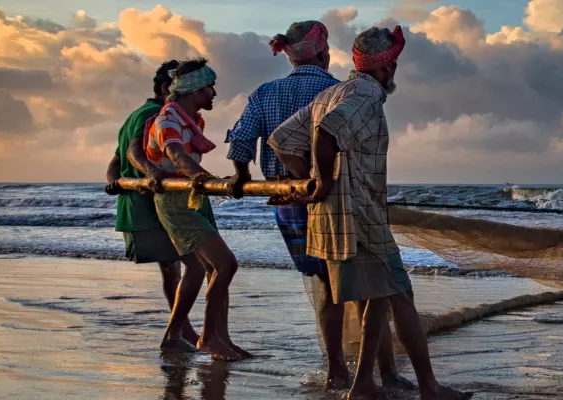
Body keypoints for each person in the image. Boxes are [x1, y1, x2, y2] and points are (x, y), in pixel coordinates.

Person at [269, 26, 470, 400]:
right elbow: (326, 134)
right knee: (401, 293)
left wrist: (311, 184)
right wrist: (325, 185)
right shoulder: (365, 94)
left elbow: (282, 140)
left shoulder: (331, 93)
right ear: (388, 66)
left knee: (376, 298)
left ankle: (364, 383)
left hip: (334, 218)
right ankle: (429, 388)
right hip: (358, 214)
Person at [225, 20, 413, 390]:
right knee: (366, 284)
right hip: (336, 201)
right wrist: (322, 181)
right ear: (325, 53)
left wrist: (241, 176)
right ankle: (383, 374)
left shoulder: (265, 93)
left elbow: (244, 141)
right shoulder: (338, 90)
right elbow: (334, 138)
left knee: (327, 285)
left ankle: (337, 371)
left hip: (288, 203)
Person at [144, 59, 248, 360]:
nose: (214, 93)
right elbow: (176, 156)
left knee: (212, 267)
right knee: (226, 264)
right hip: (177, 203)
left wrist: (203, 181)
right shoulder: (167, 120)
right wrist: (206, 179)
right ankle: (207, 338)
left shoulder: (192, 120)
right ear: (193, 90)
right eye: (209, 88)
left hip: (191, 197)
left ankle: (215, 338)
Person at [104, 60, 201, 346]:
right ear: (164, 88)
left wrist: (114, 181)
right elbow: (133, 151)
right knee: (191, 265)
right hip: (151, 205)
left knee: (173, 268)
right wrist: (152, 173)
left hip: (139, 204)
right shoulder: (154, 113)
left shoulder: (136, 114)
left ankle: (181, 329)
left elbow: (116, 160)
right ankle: (178, 331)